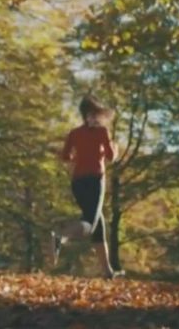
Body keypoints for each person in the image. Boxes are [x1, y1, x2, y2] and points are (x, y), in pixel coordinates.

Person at [52, 95, 120, 279]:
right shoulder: (102, 132)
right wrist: (114, 147)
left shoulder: (74, 133)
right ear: (91, 114)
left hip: (78, 183)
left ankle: (108, 272)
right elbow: (111, 157)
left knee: (98, 225)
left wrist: (79, 157)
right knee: (90, 224)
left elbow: (65, 156)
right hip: (95, 181)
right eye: (96, 113)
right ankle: (61, 235)